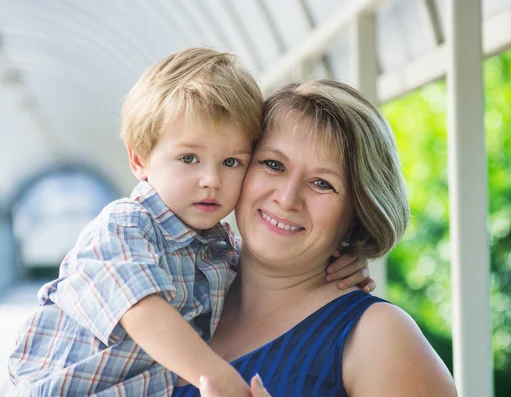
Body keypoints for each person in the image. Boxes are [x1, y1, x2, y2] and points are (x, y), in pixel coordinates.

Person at [7, 49, 372, 397]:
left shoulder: (217, 249)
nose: (211, 179)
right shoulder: (124, 226)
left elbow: (268, 279)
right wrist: (221, 379)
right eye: (189, 158)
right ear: (140, 159)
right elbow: (143, 312)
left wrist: (337, 259)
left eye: (231, 162)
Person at [172, 80, 458, 396]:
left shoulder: (379, 336)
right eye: (273, 164)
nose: (287, 198)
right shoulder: (176, 286)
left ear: (358, 212)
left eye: (322, 183)